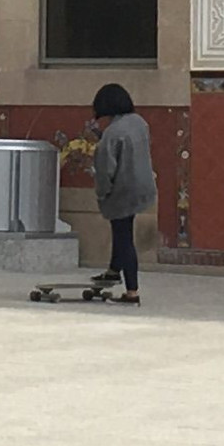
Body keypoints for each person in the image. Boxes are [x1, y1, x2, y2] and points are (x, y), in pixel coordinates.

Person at [85, 83, 152, 303]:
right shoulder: (139, 123)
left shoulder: (112, 134)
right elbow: (123, 145)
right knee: (121, 229)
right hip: (142, 185)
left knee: (124, 238)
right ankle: (114, 271)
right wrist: (101, 135)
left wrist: (102, 193)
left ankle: (132, 291)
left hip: (123, 190)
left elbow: (106, 169)